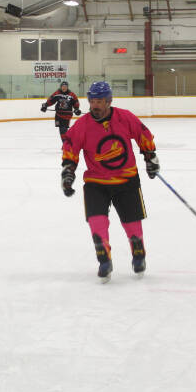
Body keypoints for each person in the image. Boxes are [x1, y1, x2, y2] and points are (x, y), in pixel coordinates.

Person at [61, 81, 159, 282]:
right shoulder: (83, 125)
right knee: (97, 223)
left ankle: (138, 253)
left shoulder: (125, 117)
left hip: (127, 179)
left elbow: (143, 134)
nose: (95, 105)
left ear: (109, 101)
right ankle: (104, 259)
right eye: (92, 101)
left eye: (99, 101)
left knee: (132, 225)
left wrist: (150, 157)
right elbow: (70, 147)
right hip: (97, 182)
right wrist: (68, 171)